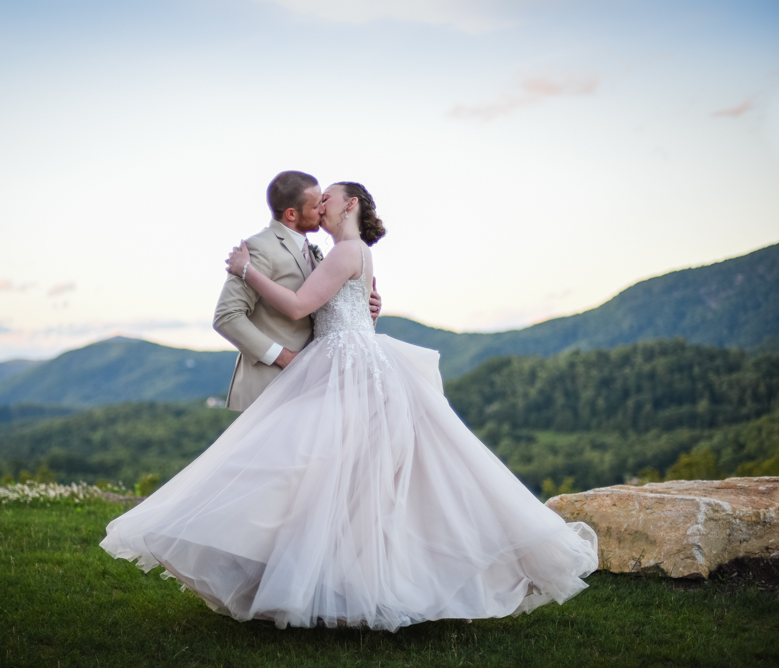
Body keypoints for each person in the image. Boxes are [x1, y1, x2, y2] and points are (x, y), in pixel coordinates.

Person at [100, 181, 598, 631]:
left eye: (330, 197)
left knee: (326, 475)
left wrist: (247, 271)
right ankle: (334, 580)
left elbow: (298, 308)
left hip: (346, 366)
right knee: (339, 480)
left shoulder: (343, 251)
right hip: (349, 361)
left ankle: (333, 584)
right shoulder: (343, 252)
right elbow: (340, 303)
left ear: (350, 204)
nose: (322, 203)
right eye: (316, 199)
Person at [213, 170, 380, 411]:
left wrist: (364, 311)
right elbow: (227, 317)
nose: (322, 209)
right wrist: (284, 358)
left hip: (317, 385)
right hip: (270, 385)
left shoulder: (320, 254)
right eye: (316, 205)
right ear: (292, 214)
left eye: (324, 201)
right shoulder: (259, 248)